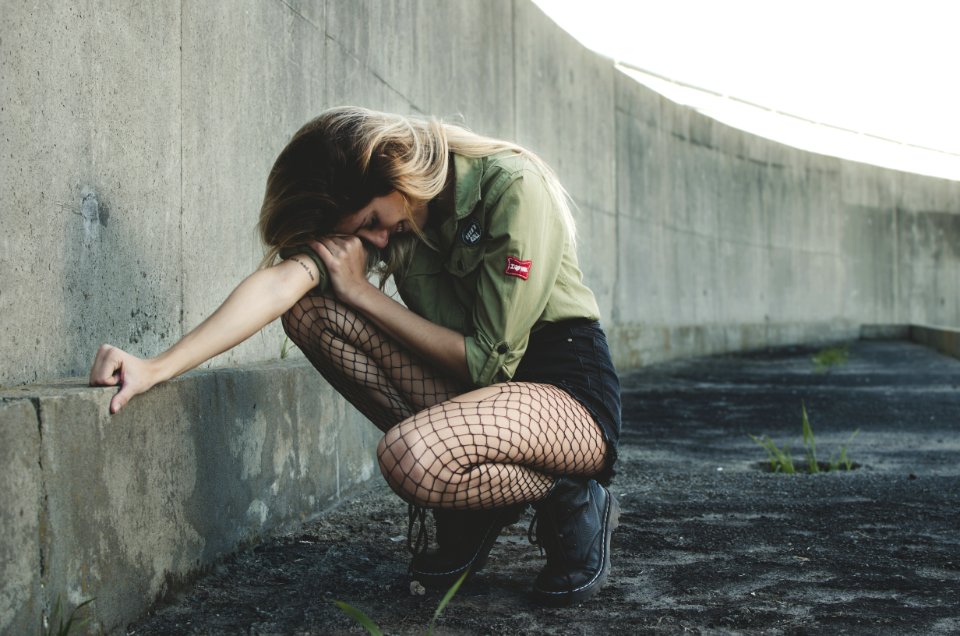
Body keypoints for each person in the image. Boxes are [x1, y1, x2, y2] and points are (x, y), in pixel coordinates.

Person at [89, 106, 622, 606]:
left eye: (370, 220)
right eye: (361, 232)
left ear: (392, 171)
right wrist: (156, 367)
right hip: (477, 402)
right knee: (310, 312)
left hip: (565, 397)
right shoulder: (395, 215)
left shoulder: (511, 186)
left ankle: (570, 493)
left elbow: (489, 362)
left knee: (409, 458)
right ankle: (482, 504)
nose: (376, 238)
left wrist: (362, 291)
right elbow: (279, 287)